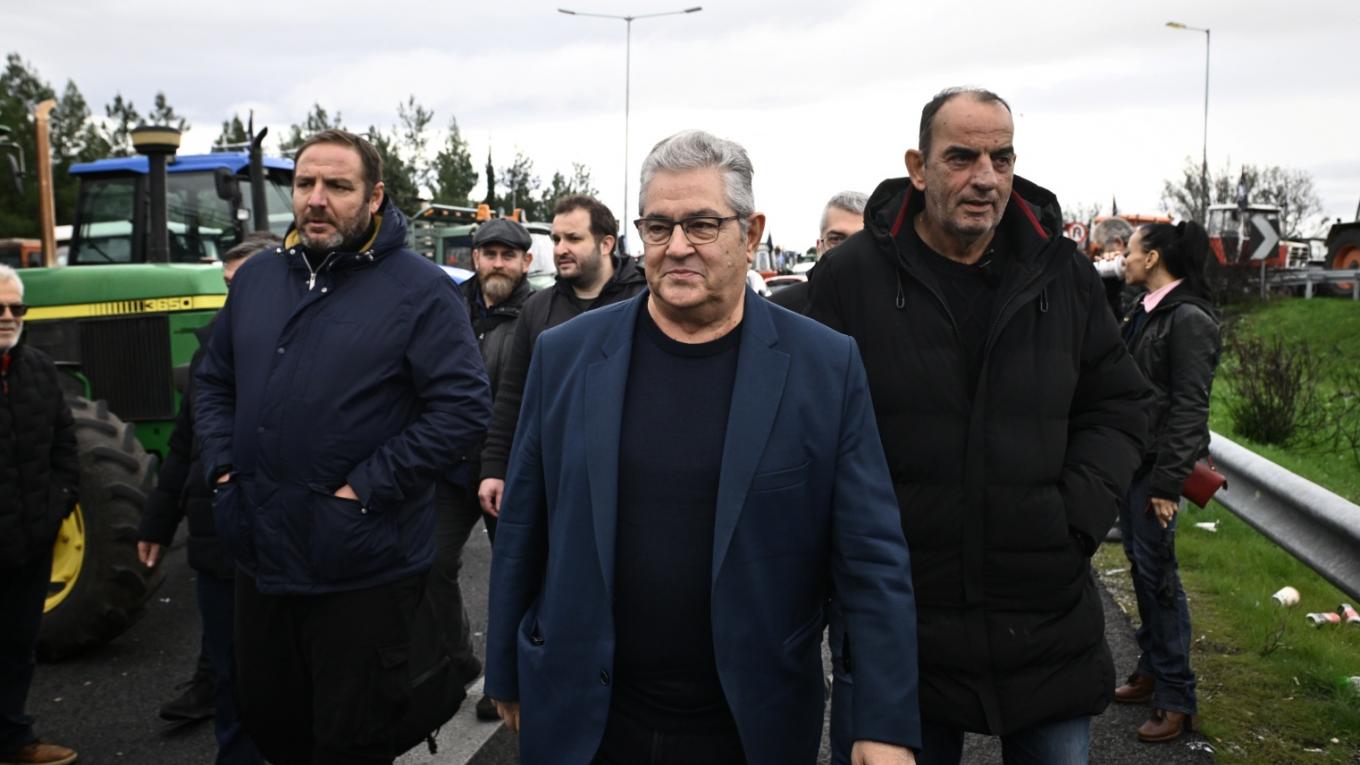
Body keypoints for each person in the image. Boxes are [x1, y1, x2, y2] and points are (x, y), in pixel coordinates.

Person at [485, 129, 920, 765]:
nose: (678, 246)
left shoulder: (825, 365)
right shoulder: (566, 355)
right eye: (658, 227)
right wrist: (504, 666)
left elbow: (871, 556)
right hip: (588, 721)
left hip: (749, 726)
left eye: (702, 225)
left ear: (751, 233)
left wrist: (883, 722)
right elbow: (526, 524)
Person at [807, 88, 1150, 765]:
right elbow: (811, 425)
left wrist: (1073, 518)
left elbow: (1119, 402)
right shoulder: (849, 279)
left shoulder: (1063, 274)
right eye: (962, 157)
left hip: (1044, 616)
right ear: (918, 167)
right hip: (902, 626)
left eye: (1002, 158)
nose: (986, 178)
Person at [194, 129, 492, 765]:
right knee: (273, 724)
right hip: (261, 553)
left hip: (361, 565)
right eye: (305, 184)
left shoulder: (420, 289)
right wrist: (222, 470)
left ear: (374, 197)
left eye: (337, 186)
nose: (316, 199)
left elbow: (463, 408)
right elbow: (215, 381)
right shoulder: (259, 279)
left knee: (352, 740)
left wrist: (364, 489)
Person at [137, 233, 276, 763]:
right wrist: (157, 521)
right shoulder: (210, 350)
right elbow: (183, 442)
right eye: (227, 286)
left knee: (284, 674)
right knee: (229, 674)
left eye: (246, 285)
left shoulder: (306, 346)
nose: (234, 297)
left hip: (283, 539)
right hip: (216, 540)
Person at [1111, 221, 1220, 743]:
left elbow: (1190, 409)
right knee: (1143, 570)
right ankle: (1153, 669)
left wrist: (1167, 484)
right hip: (1136, 464)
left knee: (1160, 581)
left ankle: (1177, 697)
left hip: (1158, 471)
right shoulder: (1147, 311)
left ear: (1152, 258)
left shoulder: (1189, 319)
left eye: (1130, 252)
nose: (1124, 259)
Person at [475, 195, 646, 518]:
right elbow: (513, 395)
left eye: (573, 238)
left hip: (628, 479)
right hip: (556, 480)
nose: (560, 249)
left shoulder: (645, 300)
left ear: (606, 244)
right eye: (556, 239)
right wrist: (495, 467)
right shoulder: (537, 308)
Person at [434, 217, 536, 721]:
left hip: (511, 469)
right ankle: (460, 661)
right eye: (489, 254)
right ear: (474, 257)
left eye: (508, 255)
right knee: (431, 564)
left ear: (525, 261)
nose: (498, 264)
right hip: (452, 466)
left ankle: (511, 676)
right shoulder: (447, 307)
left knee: (516, 576)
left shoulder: (540, 314)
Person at [0, 265, 80, 765]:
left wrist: (53, 513)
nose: (8, 316)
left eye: (16, 308)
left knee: (16, 649)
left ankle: (12, 739)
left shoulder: (39, 370)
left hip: (30, 543)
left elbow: (65, 449)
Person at [770, 190, 867, 312]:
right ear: (819, 246)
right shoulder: (777, 311)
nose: (848, 250)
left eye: (861, 240)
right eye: (836, 239)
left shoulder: (888, 311)